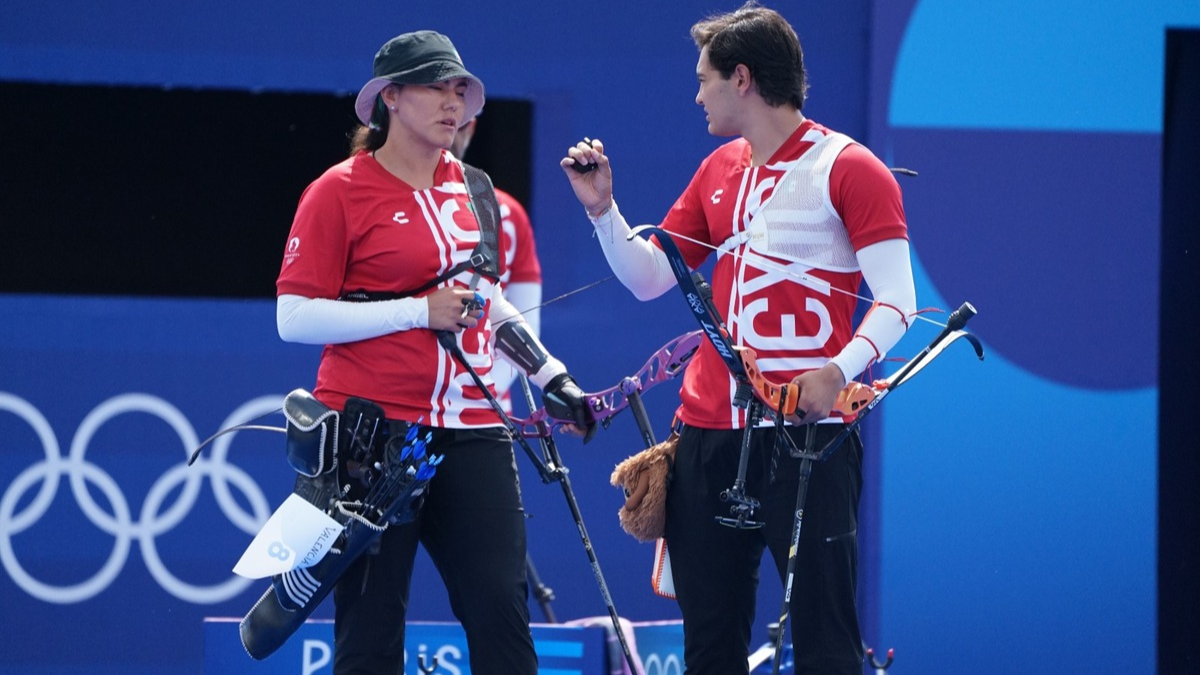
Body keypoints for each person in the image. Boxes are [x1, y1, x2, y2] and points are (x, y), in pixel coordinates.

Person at [560, 4, 917, 674]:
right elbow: (647, 277)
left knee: (826, 645)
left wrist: (836, 372)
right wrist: (603, 209)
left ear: (743, 79)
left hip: (809, 436)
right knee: (709, 648)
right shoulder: (719, 168)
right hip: (708, 435)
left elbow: (900, 301)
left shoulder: (850, 167)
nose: (697, 95)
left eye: (705, 79)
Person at [275, 30, 591, 675]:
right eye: (434, 87)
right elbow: (294, 318)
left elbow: (488, 300)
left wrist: (552, 374)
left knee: (502, 610)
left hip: (473, 427)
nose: (453, 103)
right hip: (372, 437)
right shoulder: (337, 190)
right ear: (390, 97)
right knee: (370, 631)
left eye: (458, 90)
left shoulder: (476, 188)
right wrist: (418, 311)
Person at [450, 116, 544, 414]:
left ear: (473, 127)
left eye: (460, 125)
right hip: (404, 404)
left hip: (485, 414)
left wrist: (478, 393)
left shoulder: (509, 214)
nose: (451, 137)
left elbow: (523, 323)